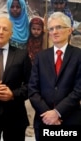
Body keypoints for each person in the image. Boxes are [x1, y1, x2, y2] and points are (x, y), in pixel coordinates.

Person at [28, 12, 81, 141]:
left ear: (69, 30)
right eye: (51, 29)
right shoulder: (41, 57)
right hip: (44, 120)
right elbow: (33, 89)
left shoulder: (78, 55)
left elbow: (79, 90)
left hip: (70, 120)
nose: (54, 32)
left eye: (59, 27)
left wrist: (57, 112)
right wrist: (49, 114)